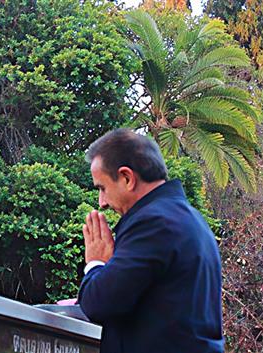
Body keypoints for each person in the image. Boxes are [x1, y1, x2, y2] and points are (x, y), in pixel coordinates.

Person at [77, 128, 224, 352]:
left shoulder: (152, 223)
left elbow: (100, 303)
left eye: (103, 188)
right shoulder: (191, 219)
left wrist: (96, 264)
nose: (102, 202)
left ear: (127, 178)